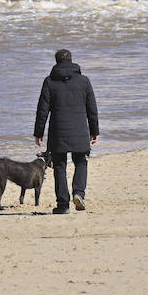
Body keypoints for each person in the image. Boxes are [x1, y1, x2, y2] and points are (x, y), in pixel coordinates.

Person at [33, 48, 99, 214]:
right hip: (80, 131)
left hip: (58, 132)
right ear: (71, 60)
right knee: (81, 162)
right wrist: (94, 131)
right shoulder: (84, 81)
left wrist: (38, 132)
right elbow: (92, 109)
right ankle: (78, 193)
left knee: (60, 166)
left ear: (56, 62)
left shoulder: (49, 81)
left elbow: (42, 110)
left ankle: (63, 205)